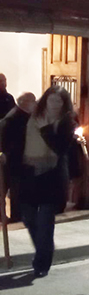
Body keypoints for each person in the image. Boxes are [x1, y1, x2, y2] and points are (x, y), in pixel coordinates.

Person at [14, 87, 76, 278]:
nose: (55, 104)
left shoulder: (67, 121)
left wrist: (45, 128)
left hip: (52, 175)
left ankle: (42, 262)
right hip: (29, 173)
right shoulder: (32, 116)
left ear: (64, 104)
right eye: (52, 100)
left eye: (59, 101)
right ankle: (45, 247)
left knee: (45, 222)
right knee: (28, 218)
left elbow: (60, 147)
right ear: (45, 100)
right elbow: (12, 131)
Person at [0, 92, 37, 223]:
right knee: (10, 189)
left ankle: (17, 216)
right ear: (25, 103)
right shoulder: (13, 118)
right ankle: (10, 217)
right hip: (12, 161)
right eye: (33, 101)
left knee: (18, 190)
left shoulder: (24, 115)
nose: (35, 104)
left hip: (20, 160)